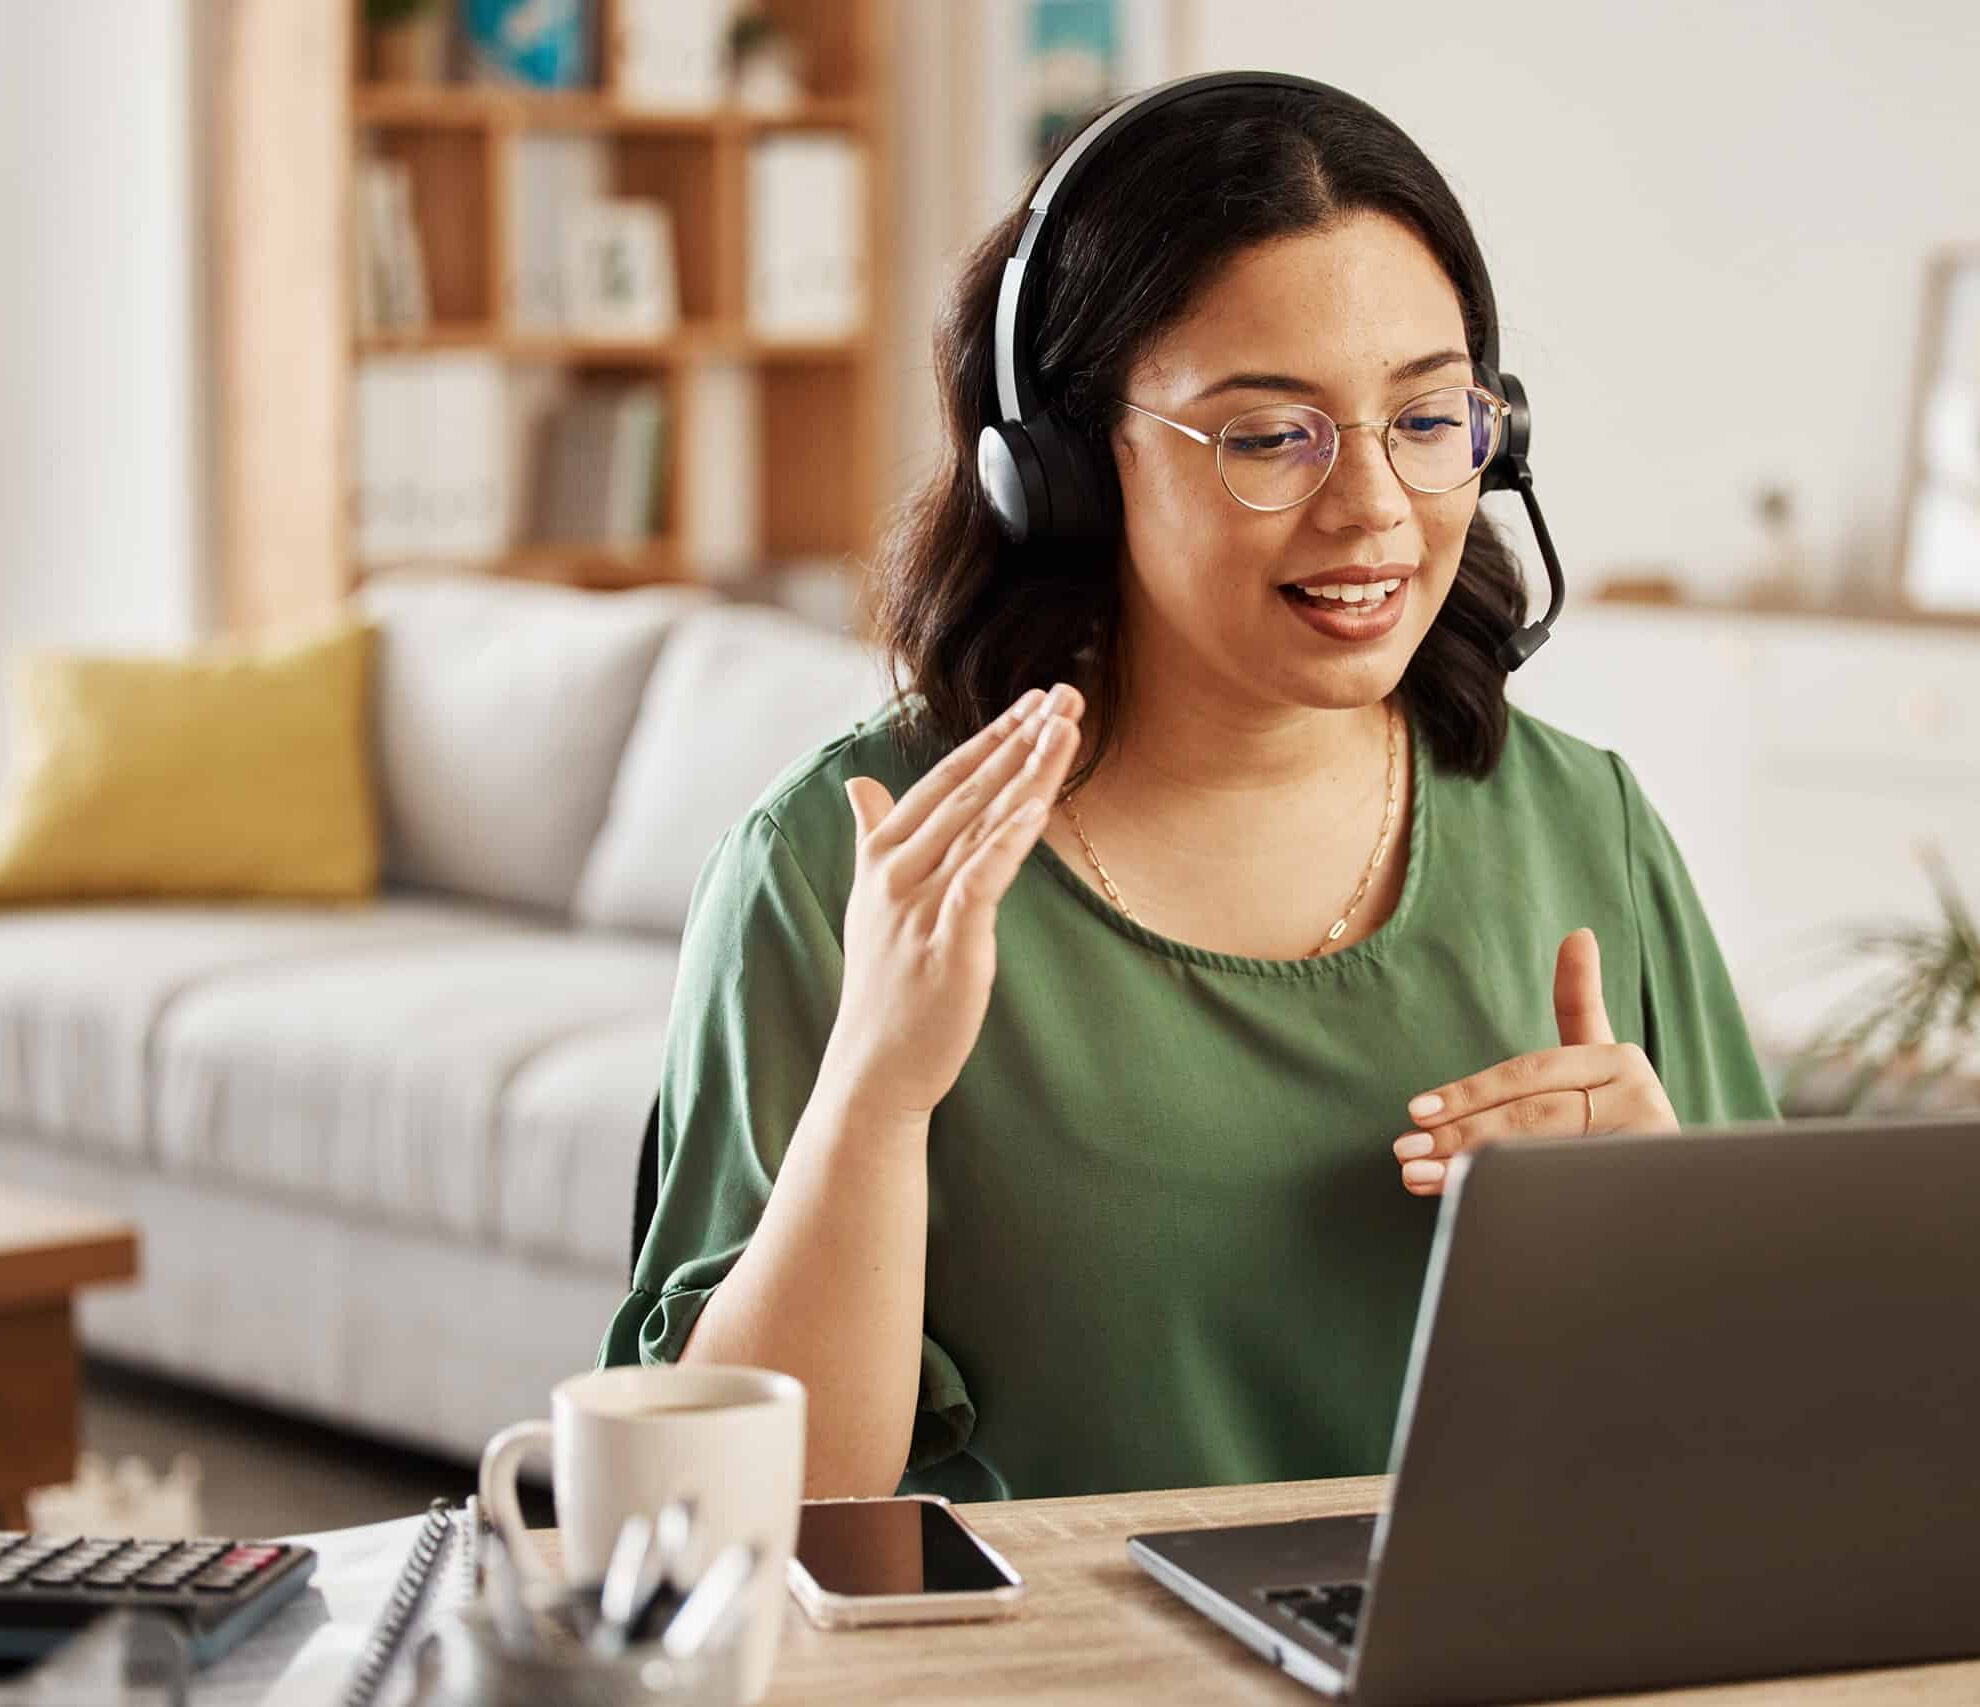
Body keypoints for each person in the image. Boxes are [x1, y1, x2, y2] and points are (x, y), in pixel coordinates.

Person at [599, 79, 1778, 1502]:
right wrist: (877, 1096)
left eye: (1424, 419)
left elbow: (1766, 1441)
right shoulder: (847, 862)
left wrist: (1660, 1222)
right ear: (1062, 470)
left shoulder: (1586, 826)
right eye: (1270, 435)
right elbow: (761, 1518)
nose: (1374, 512)